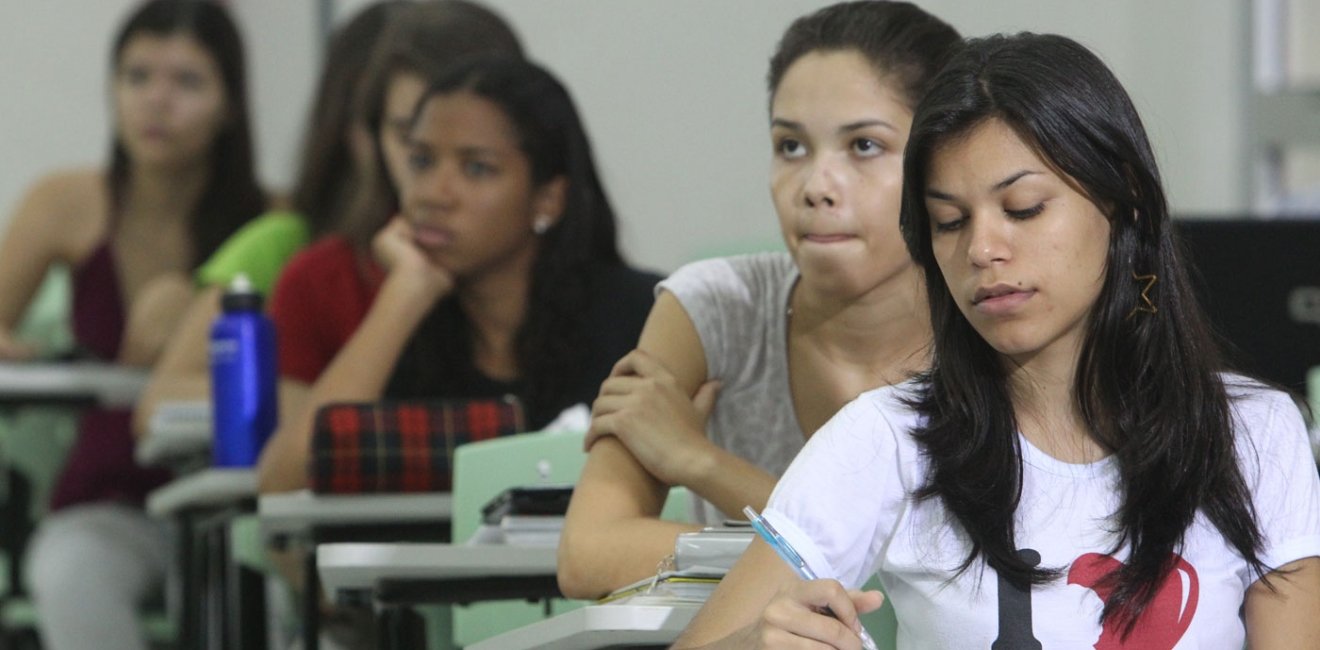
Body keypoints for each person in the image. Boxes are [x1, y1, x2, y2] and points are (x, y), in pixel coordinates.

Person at [676, 32, 1320, 649]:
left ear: (1124, 201)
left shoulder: (1255, 431)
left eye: (1023, 209)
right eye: (949, 222)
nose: (983, 249)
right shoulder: (884, 440)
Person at [558, 0, 961, 599]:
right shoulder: (716, 306)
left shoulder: (992, 321)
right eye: (791, 147)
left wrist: (703, 463)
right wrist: (820, 554)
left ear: (942, 160)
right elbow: (588, 556)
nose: (815, 188)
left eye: (864, 147)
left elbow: (926, 584)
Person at [256, 54, 661, 494]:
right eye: (422, 162)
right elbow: (282, 488)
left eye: (476, 168)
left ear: (548, 199)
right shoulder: (410, 332)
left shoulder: (641, 318)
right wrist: (405, 294)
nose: (433, 194)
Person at [0, 1, 266, 649]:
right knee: (68, 575)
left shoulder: (272, 221)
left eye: (188, 81)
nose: (157, 101)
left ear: (230, 103)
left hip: (239, 501)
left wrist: (188, 312)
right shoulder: (66, 201)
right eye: (137, 76)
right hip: (108, 500)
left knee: (254, 591)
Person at [131, 0, 404, 439]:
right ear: (351, 127)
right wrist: (303, 395)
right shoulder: (294, 248)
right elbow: (160, 400)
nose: (156, 101)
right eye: (403, 129)